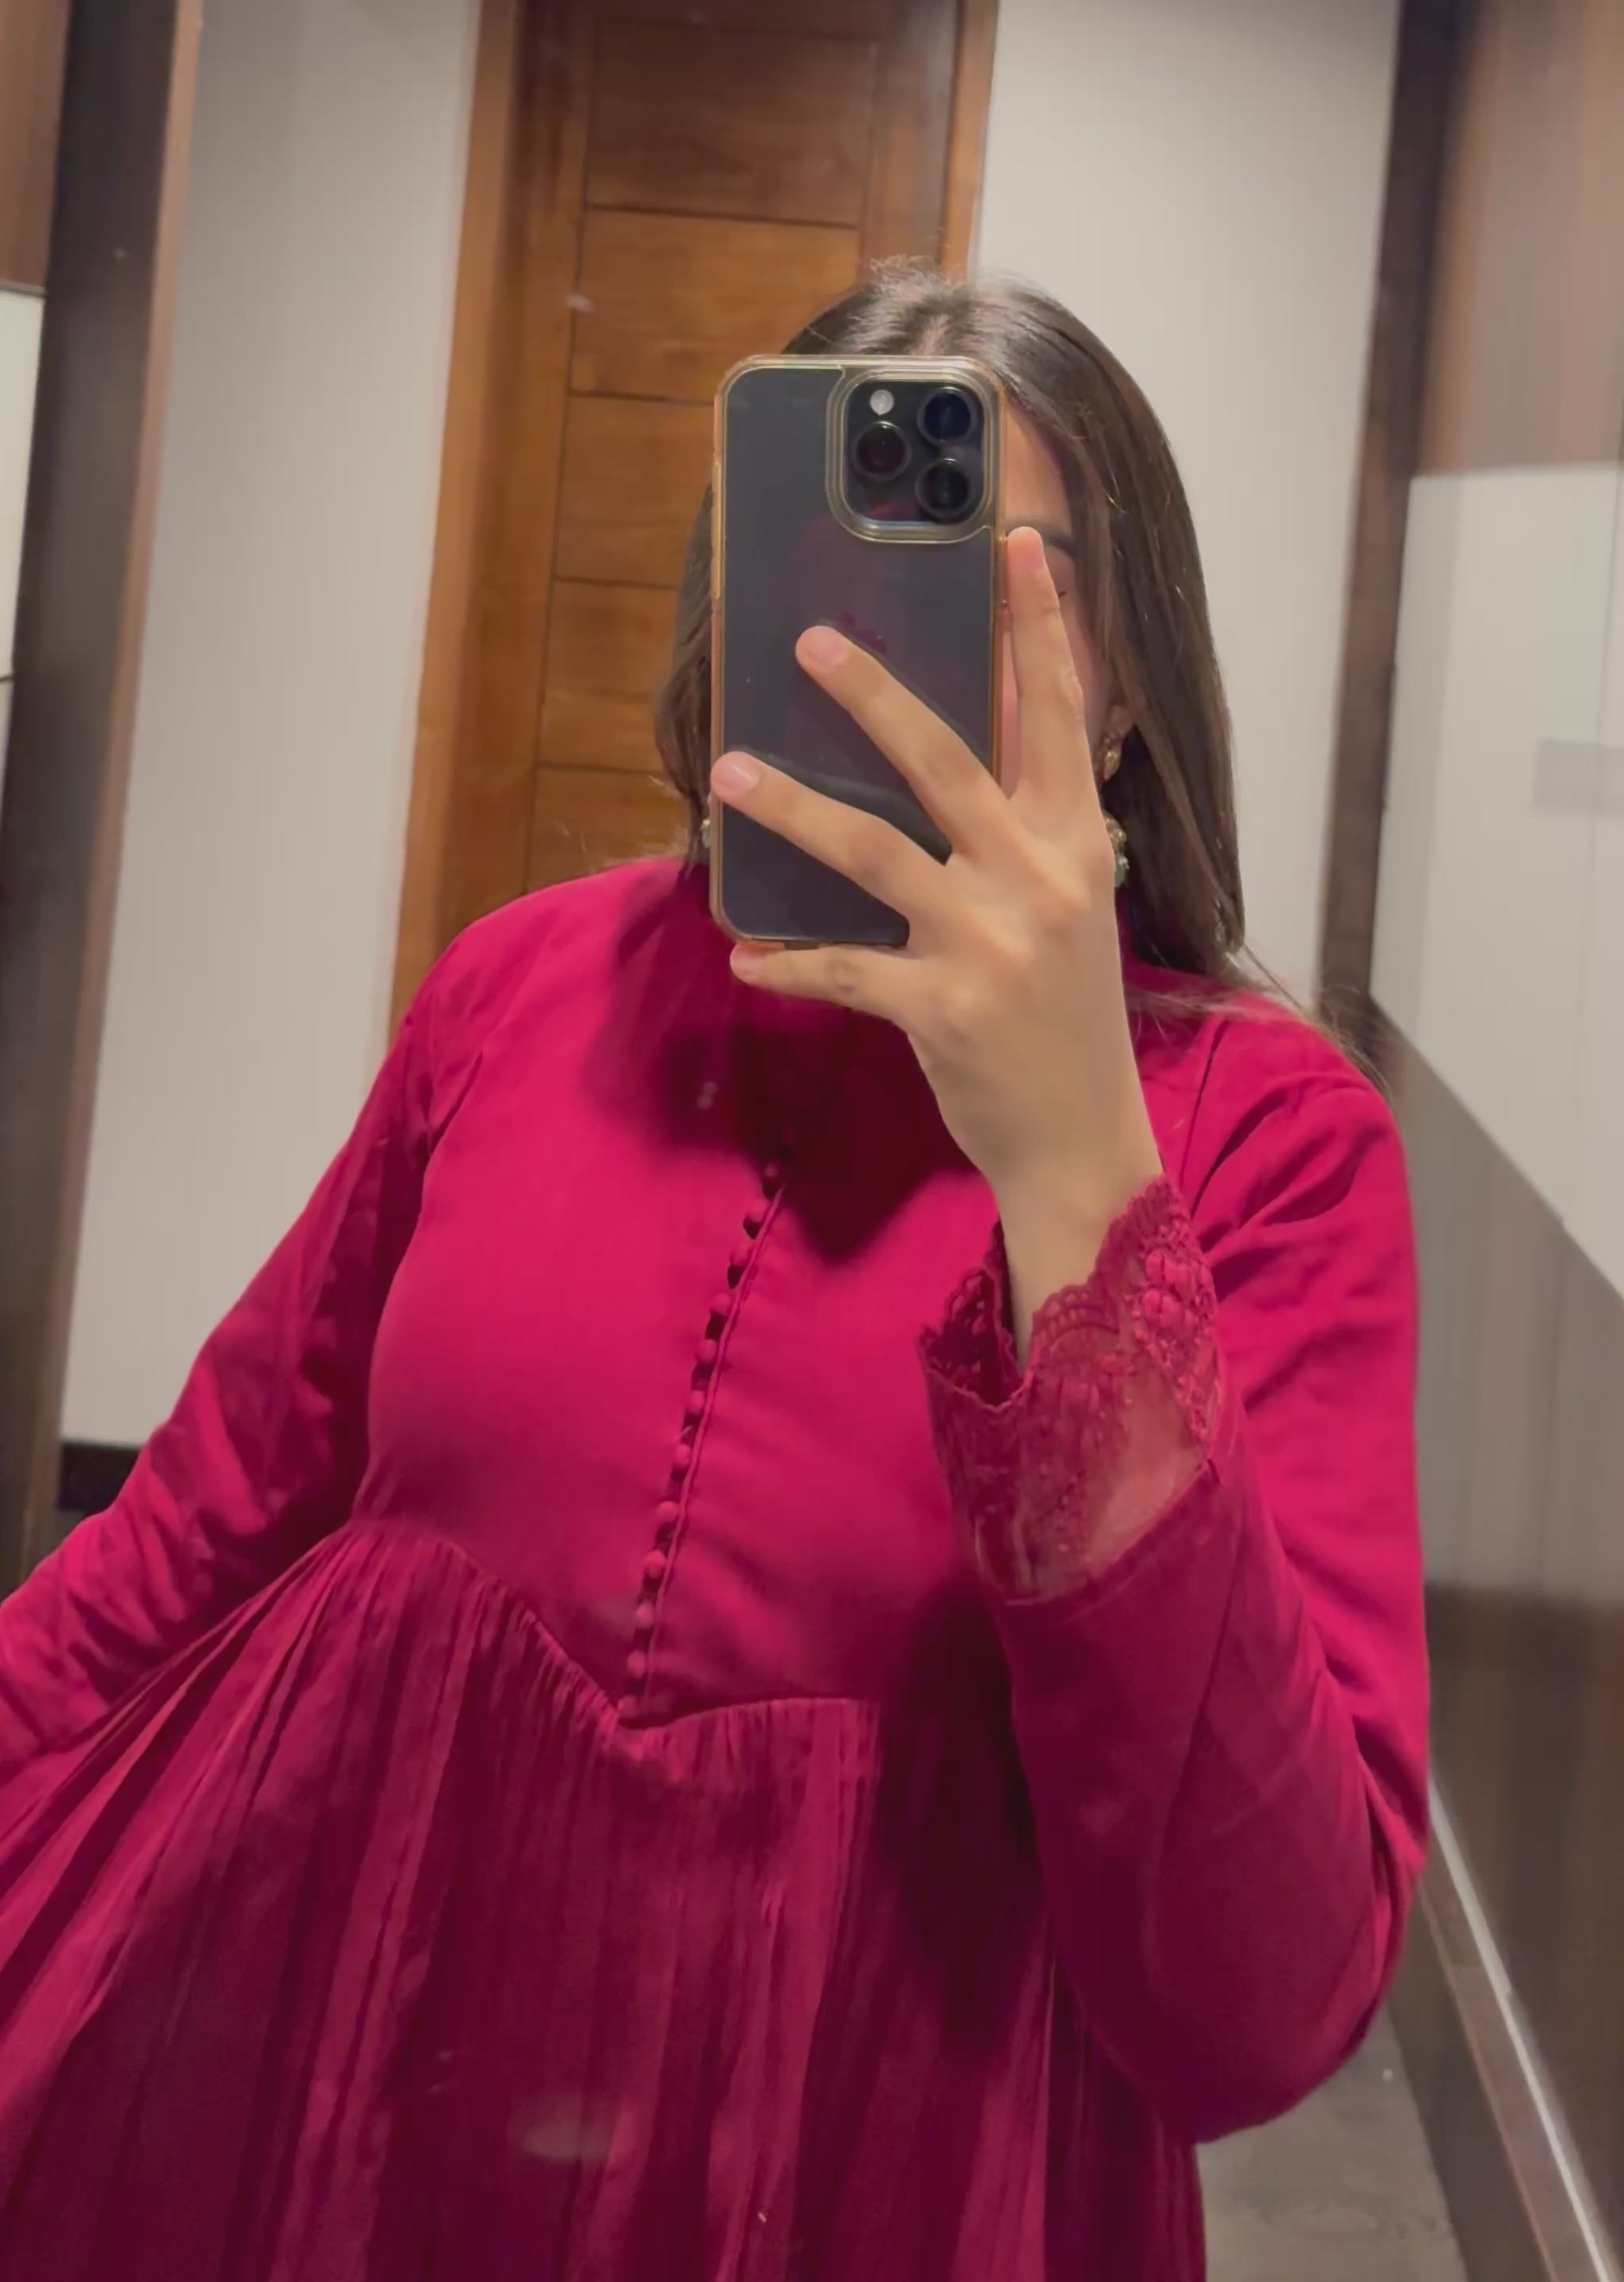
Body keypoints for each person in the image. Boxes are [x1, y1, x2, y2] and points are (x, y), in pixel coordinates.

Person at [0, 270, 1426, 2281]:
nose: (875, 652)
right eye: (817, 569)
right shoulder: (520, 987)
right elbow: (192, 1538)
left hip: (871, 2184)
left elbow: (1254, 1998)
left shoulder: (1266, 1144)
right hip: (361, 2099)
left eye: (993, 580)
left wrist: (1075, 1182)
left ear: (1120, 687)